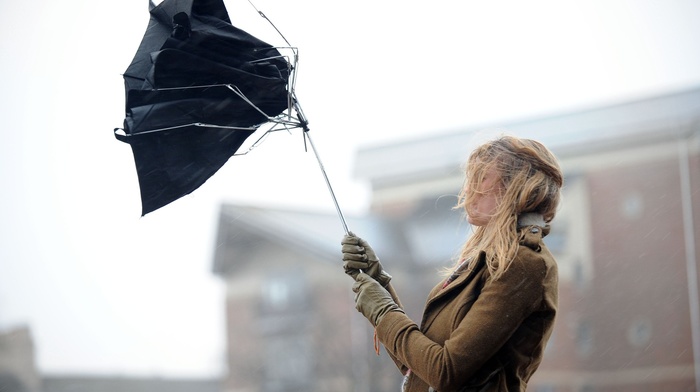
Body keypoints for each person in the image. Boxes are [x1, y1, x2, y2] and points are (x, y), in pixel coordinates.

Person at [341, 135, 563, 392]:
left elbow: (444, 372)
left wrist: (383, 312)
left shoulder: (523, 264)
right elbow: (419, 366)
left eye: (481, 179)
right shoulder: (486, 261)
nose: (468, 190)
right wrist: (379, 283)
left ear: (516, 187)